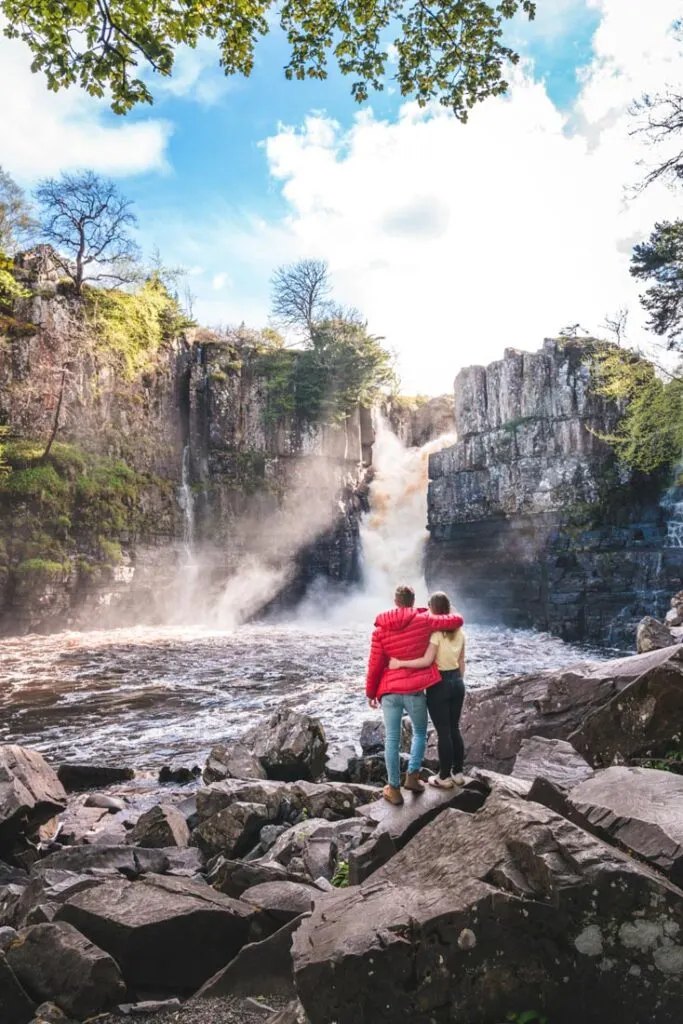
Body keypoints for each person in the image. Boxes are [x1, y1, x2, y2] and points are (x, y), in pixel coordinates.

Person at [365, 584, 465, 805]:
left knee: (392, 738)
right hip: (415, 690)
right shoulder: (424, 621)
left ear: (396, 602)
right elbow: (455, 621)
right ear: (412, 601)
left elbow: (374, 665)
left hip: (389, 690)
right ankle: (412, 777)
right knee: (420, 732)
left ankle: (394, 789)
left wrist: (371, 692)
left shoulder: (379, 630)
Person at [389, 591, 466, 789]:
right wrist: (458, 680)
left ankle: (444, 776)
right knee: (455, 728)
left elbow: (426, 660)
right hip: (458, 681)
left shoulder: (436, 634)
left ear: (433, 609)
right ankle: (458, 772)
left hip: (439, 684)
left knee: (444, 732)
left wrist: (400, 663)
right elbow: (461, 662)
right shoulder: (459, 632)